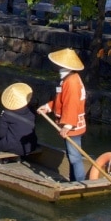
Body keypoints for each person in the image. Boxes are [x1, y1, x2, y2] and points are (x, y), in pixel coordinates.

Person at [37, 47, 88, 181]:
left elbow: (71, 104)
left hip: (74, 126)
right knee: (73, 156)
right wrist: (48, 107)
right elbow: (61, 100)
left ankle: (79, 182)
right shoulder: (68, 78)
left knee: (75, 157)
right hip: (73, 124)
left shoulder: (71, 82)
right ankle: (73, 180)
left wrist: (68, 126)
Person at [0, 82, 39, 157]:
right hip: (31, 146)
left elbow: (1, 134)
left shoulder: (6, 114)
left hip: (15, 148)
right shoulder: (32, 111)